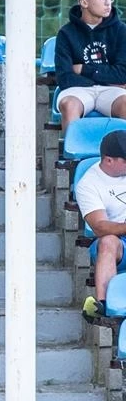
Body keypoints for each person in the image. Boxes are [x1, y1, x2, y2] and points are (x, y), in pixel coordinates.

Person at [55, 0, 126, 131]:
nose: (108, 2)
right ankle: (72, 147)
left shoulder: (121, 30)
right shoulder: (66, 33)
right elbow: (64, 78)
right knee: (69, 105)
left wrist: (83, 69)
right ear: (84, 2)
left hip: (112, 91)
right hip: (78, 90)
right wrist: (104, 78)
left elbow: (122, 74)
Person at [74, 130, 126, 320]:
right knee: (107, 241)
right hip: (120, 243)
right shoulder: (89, 184)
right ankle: (103, 304)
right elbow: (99, 227)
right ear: (109, 160)